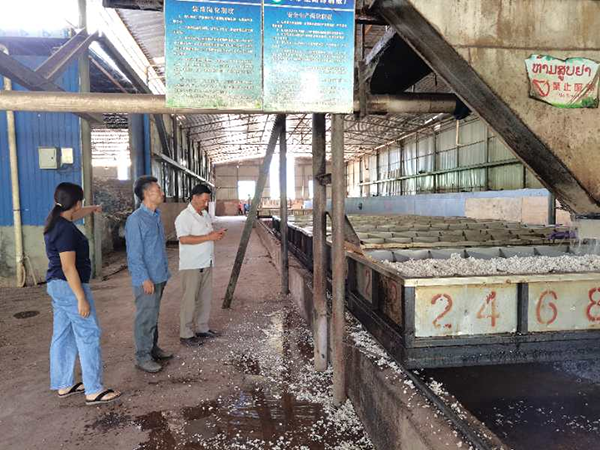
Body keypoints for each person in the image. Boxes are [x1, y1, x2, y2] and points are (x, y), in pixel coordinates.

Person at [44, 182, 121, 405]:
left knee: (63, 334)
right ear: (77, 203)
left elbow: (75, 214)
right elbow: (69, 267)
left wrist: (93, 208)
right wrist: (81, 298)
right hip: (69, 287)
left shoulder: (57, 222)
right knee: (88, 333)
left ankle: (63, 383)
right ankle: (94, 389)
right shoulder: (66, 230)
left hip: (56, 285)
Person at [125, 176, 173, 373]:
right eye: (158, 190)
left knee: (153, 314)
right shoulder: (136, 220)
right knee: (145, 317)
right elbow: (134, 254)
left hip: (159, 274)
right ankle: (142, 357)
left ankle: (152, 348)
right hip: (147, 278)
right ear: (146, 194)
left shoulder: (155, 215)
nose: (162, 193)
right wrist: (144, 278)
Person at [175, 184, 226, 346]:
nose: (206, 203)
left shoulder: (204, 215)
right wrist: (209, 237)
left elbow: (207, 234)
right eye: (203, 200)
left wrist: (215, 235)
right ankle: (186, 334)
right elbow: (183, 239)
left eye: (207, 200)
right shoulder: (184, 217)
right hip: (192, 264)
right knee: (190, 300)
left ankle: (202, 328)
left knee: (205, 298)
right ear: (194, 197)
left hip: (206, 261)